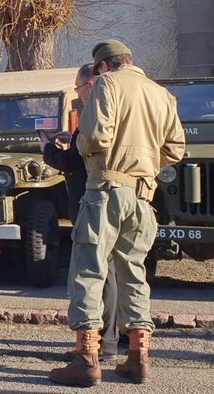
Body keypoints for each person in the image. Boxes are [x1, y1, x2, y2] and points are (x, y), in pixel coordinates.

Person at [49, 40, 185, 386]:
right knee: (133, 274)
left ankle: (86, 359)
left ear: (102, 67)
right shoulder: (161, 94)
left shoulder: (106, 85)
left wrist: (75, 145)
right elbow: (176, 149)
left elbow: (94, 138)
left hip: (106, 190)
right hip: (143, 197)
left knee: (88, 271)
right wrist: (145, 163)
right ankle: (138, 358)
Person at [40, 64, 120, 362]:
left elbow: (75, 161)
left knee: (94, 273)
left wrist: (48, 151)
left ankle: (97, 347)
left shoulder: (96, 110)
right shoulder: (108, 109)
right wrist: (71, 136)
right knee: (112, 272)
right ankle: (110, 341)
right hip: (109, 198)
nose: (77, 94)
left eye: (78, 88)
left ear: (90, 84)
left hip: (92, 202)